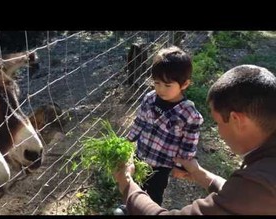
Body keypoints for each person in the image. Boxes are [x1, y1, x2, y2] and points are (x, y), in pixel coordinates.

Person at [113, 64, 276, 215]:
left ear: (237, 120)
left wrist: (127, 184)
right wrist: (200, 174)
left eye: (218, 122)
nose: (218, 131)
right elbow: (238, 195)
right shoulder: (262, 175)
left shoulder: (259, 183)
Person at [124, 45, 204, 206]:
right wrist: (127, 141)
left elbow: (189, 144)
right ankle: (131, 207)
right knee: (135, 185)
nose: (161, 89)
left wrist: (181, 166)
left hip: (162, 165)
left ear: (185, 84)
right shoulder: (149, 98)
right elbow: (139, 122)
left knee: (154, 193)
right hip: (141, 155)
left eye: (168, 85)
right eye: (157, 83)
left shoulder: (189, 114)